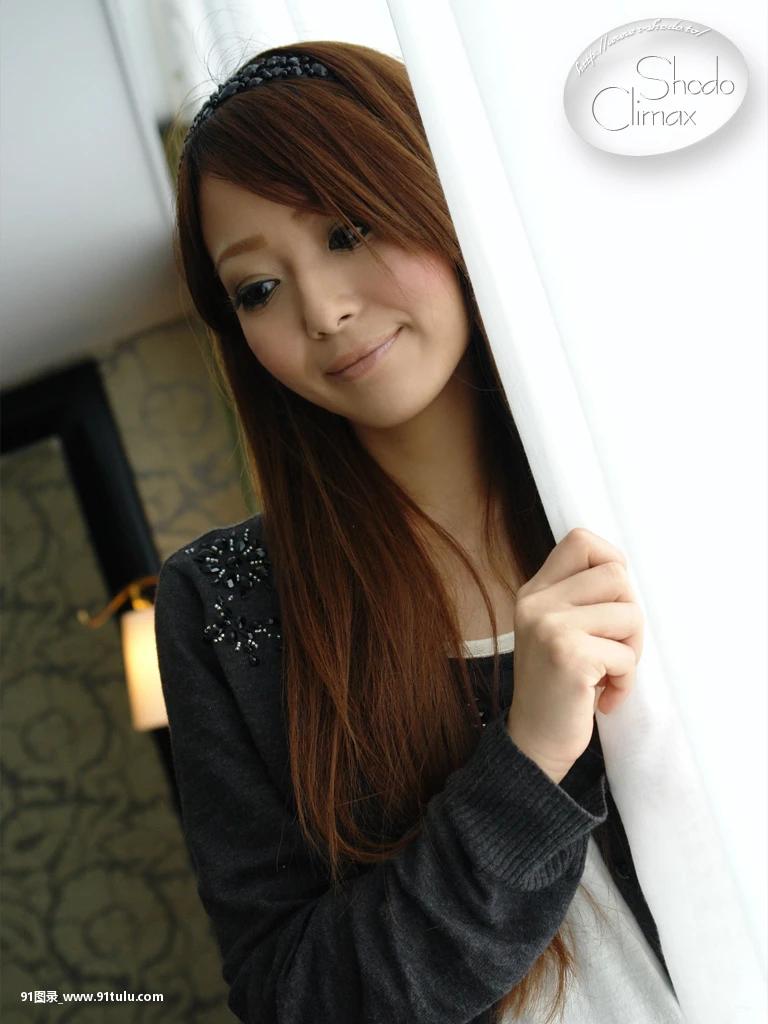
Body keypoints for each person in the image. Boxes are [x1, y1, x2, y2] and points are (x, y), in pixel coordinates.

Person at [154, 40, 682, 1024]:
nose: (325, 310)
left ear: (438, 199)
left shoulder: (651, 474)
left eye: (347, 231)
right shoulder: (225, 602)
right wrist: (528, 760)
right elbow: (295, 999)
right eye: (258, 289)